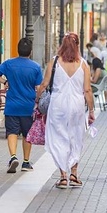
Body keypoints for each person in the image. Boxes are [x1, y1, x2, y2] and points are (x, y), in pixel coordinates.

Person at [37, 32, 95, 189]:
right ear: (77, 46)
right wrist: (91, 111)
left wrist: (37, 101)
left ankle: (63, 176)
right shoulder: (83, 64)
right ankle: (74, 174)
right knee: (75, 137)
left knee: (59, 138)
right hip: (76, 106)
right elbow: (88, 90)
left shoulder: (54, 62)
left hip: (58, 105)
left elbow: (44, 84)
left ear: (62, 45)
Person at [0, 38, 43, 173]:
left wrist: (4, 81)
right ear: (30, 52)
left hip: (12, 105)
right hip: (28, 106)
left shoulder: (9, 64)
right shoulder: (35, 67)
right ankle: (26, 162)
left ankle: (13, 157)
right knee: (27, 134)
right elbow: (38, 87)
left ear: (17, 50)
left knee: (12, 132)